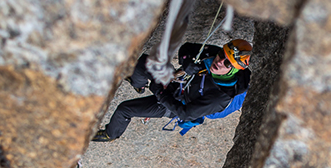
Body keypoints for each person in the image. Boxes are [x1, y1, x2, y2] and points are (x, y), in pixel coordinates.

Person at [92, 39, 252, 141]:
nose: (220, 62)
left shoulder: (220, 97)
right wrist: (187, 61)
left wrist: (160, 93)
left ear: (235, 69)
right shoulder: (215, 55)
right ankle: (138, 84)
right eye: (222, 55)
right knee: (142, 63)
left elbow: (185, 113)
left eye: (228, 63)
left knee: (124, 110)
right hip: (182, 84)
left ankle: (110, 134)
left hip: (178, 104)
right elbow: (187, 48)